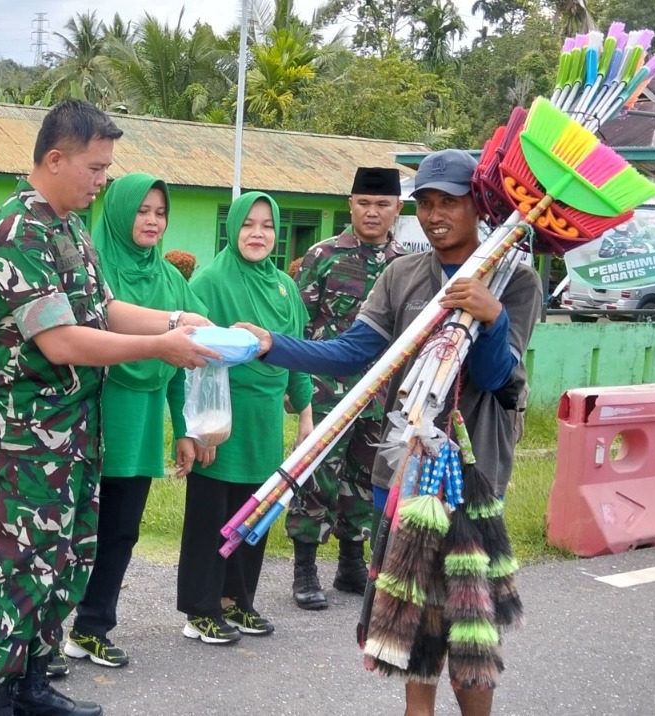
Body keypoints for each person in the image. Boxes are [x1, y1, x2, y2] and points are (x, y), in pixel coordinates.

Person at [238, 149, 542, 716]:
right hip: (402, 468)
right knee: (413, 624)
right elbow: (354, 353)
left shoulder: (514, 281)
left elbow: (497, 377)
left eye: (448, 201)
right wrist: (271, 345)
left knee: (468, 631)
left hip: (472, 475)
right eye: (424, 203)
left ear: (478, 205)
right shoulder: (402, 274)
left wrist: (491, 316)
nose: (434, 215)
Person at [0, 100, 218, 716]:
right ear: (55, 159)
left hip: (75, 431)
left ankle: (32, 684)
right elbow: (62, 340)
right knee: (20, 564)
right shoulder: (17, 232)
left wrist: (178, 318)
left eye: (107, 168)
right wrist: (160, 345)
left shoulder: (70, 227)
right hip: (27, 436)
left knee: (68, 555)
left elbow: (102, 310)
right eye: (95, 167)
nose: (103, 179)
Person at [52, 173, 212, 674]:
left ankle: (92, 629)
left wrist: (184, 428)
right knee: (68, 531)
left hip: (140, 424)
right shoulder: (92, 267)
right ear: (121, 212)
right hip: (94, 416)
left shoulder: (171, 281)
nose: (152, 221)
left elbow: (181, 365)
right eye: (142, 211)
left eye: (160, 213)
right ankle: (39, 640)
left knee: (121, 532)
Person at [174, 191, 314, 645]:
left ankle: (238, 601)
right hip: (222, 415)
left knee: (253, 515)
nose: (258, 233)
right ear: (233, 228)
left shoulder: (284, 287)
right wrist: (200, 428)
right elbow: (193, 358)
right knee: (211, 515)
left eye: (267, 225)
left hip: (266, 420)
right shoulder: (212, 281)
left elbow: (295, 353)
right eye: (249, 224)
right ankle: (201, 608)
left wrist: (306, 418)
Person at [287, 167, 408, 610]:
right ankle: (304, 569)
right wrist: (294, 386)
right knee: (317, 474)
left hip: (384, 394)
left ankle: (351, 564)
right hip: (327, 390)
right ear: (350, 205)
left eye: (382, 205)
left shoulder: (407, 264)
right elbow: (299, 325)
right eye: (363, 203)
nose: (372, 212)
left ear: (397, 209)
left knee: (366, 475)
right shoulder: (323, 255)